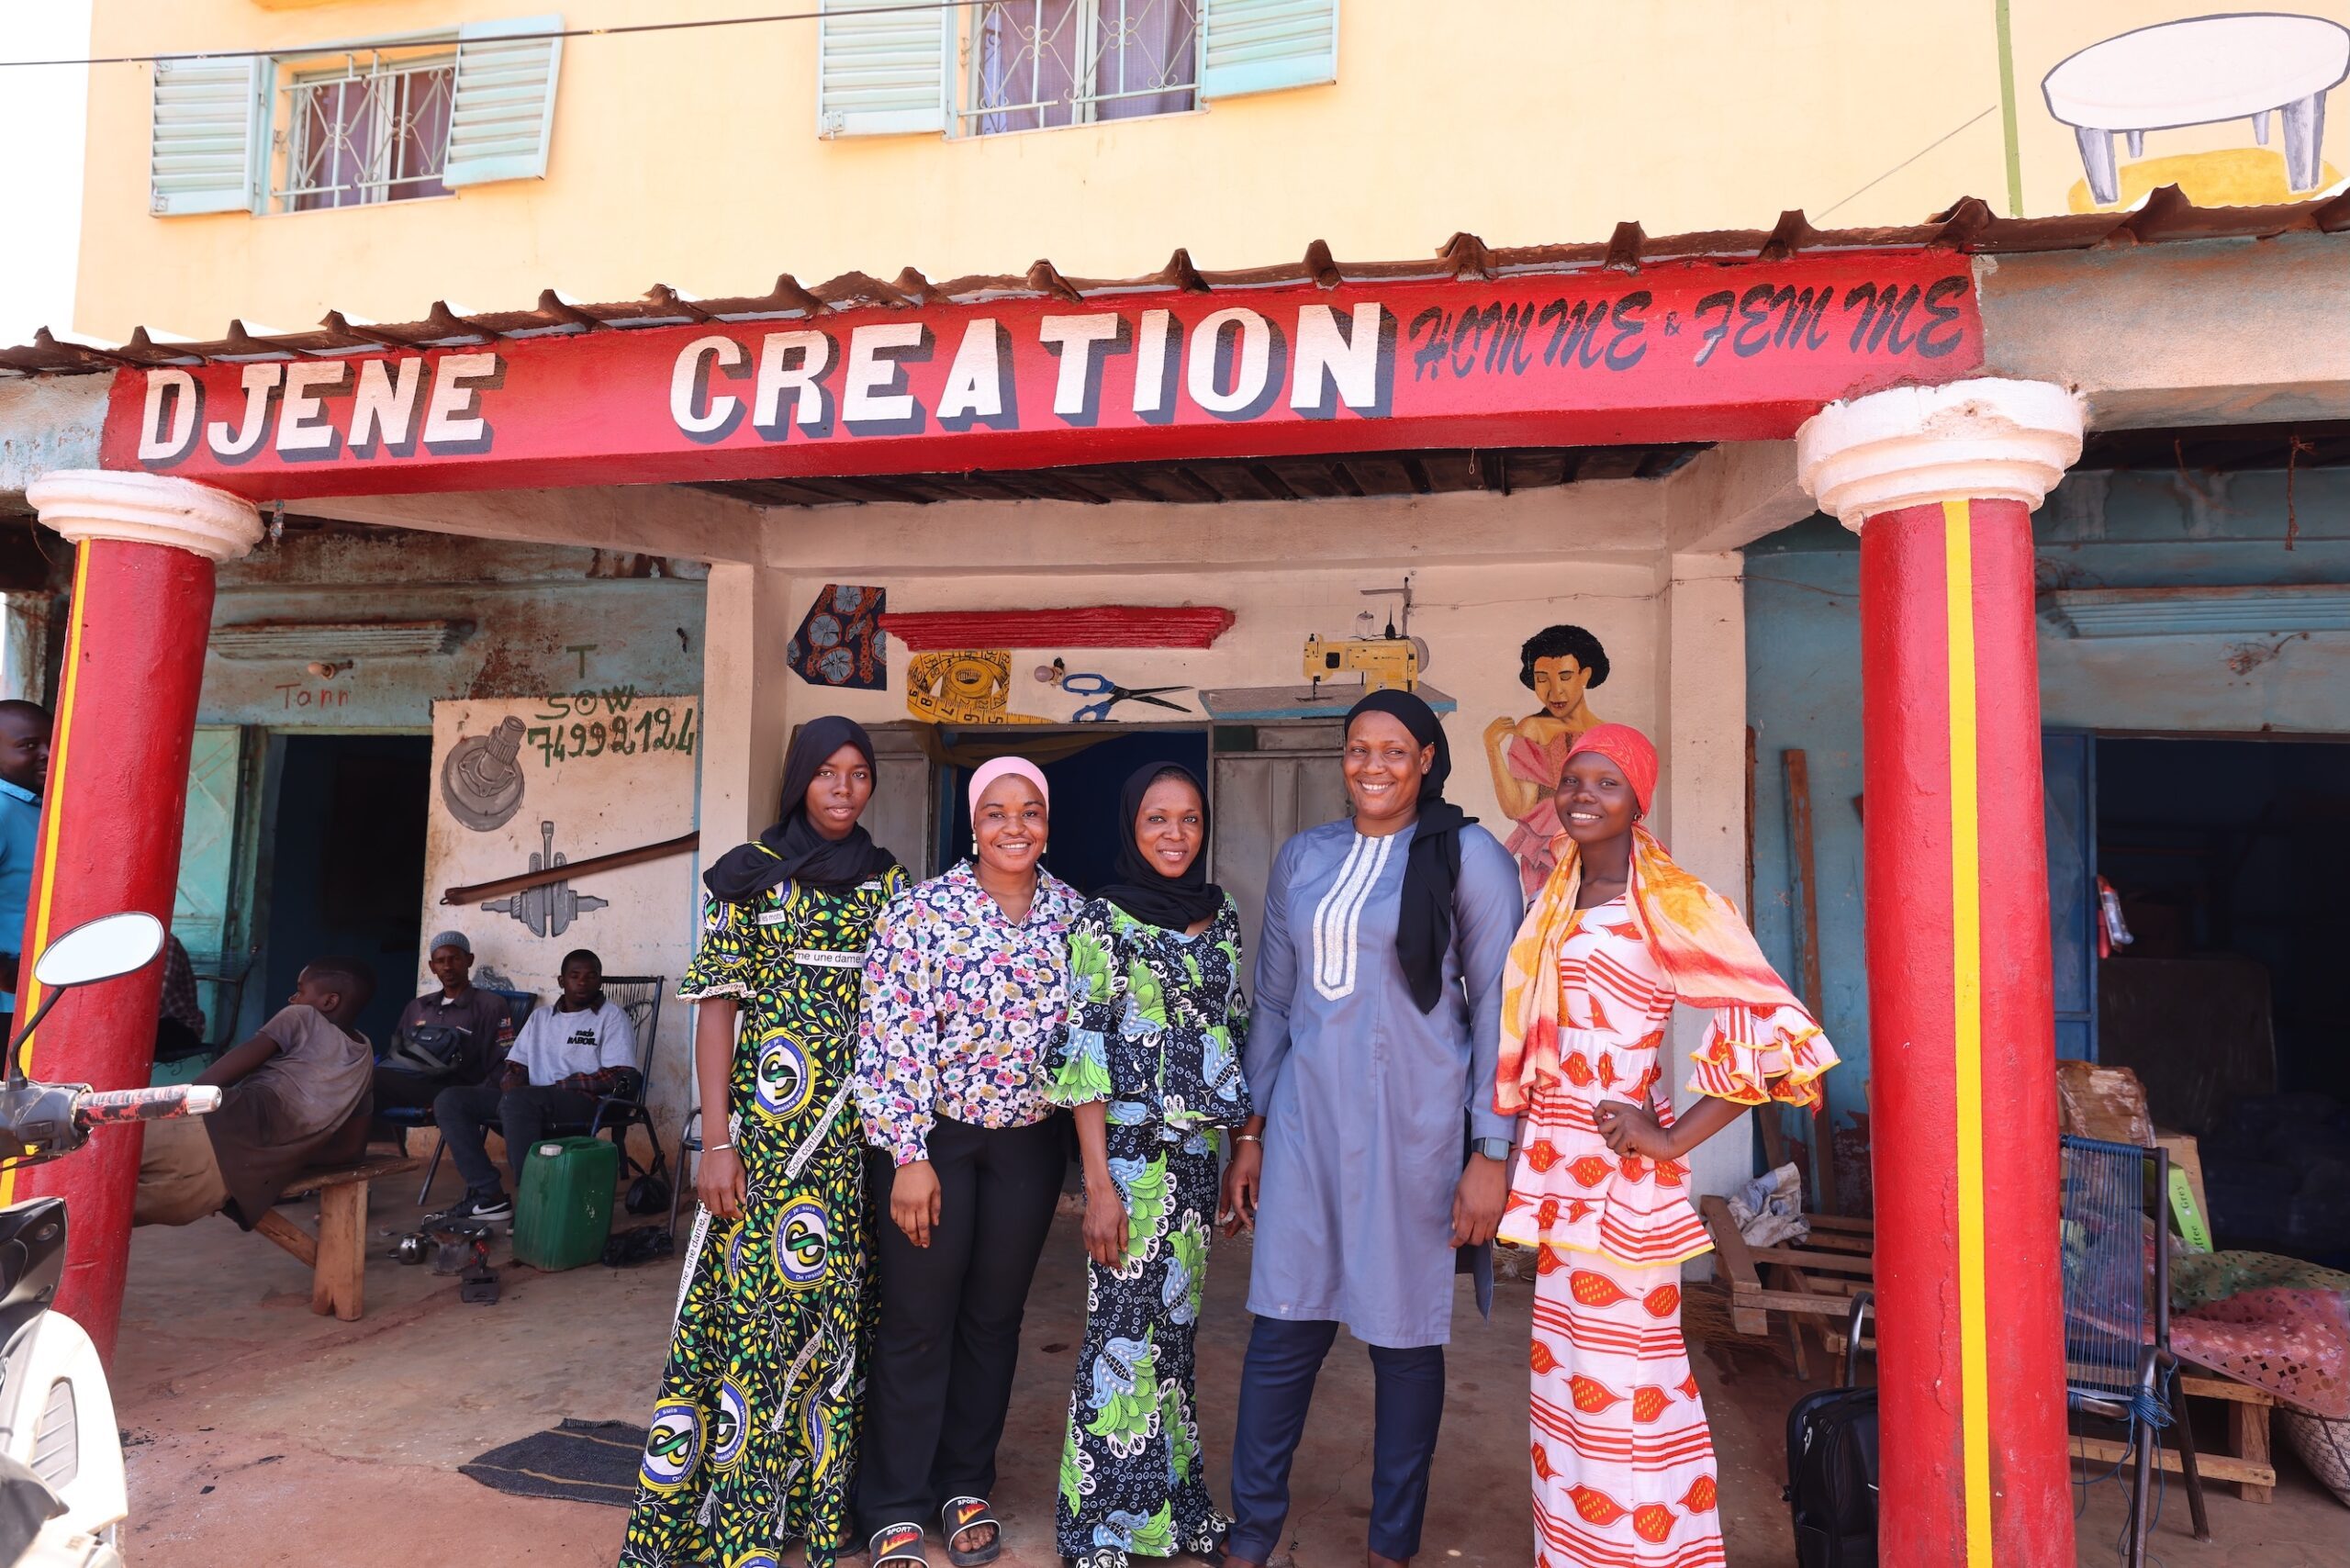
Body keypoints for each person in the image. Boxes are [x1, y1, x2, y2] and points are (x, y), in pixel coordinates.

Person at [1494, 723, 1837, 1568]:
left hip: (1622, 1180)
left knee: (1628, 1387)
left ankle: (1645, 1555)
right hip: (1557, 1177)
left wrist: (1673, 1132)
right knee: (1564, 1383)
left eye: (1606, 784)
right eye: (1574, 781)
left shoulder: (1674, 902)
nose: (1583, 797)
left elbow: (1781, 1032)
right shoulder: (1556, 898)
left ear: (1637, 800)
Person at [1219, 690, 1523, 1568]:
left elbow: (1501, 1005)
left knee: (1403, 1337)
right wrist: (1253, 1130)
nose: (1374, 767)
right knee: (1283, 1326)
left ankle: (1391, 1547)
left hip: (1417, 1130)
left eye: (1395, 750)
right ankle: (1251, 1536)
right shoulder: (1306, 856)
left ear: (1428, 758)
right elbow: (1274, 1001)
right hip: (1310, 1125)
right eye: (1358, 750)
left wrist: (1490, 1151)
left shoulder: (1470, 858)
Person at [621, 718, 908, 1568]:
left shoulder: (887, 884)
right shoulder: (748, 877)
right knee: (754, 1318)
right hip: (765, 1142)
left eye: (859, 774)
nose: (844, 788)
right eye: (827, 773)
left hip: (853, 1142)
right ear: (798, 781)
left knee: (833, 1323)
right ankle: (738, 1518)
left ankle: (817, 1515)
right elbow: (718, 1010)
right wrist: (715, 1143)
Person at [853, 756, 1082, 1568]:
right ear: (973, 823)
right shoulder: (922, 912)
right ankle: (894, 1500)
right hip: (935, 1143)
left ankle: (964, 1485)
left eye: (1029, 812)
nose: (1014, 826)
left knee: (993, 1321)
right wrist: (909, 1155)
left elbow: (1086, 1047)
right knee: (918, 1320)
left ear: (1047, 822)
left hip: (1028, 1145)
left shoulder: (1073, 918)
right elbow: (890, 1041)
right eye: (996, 811)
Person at [1046, 764, 1252, 1568]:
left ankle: (1177, 1514)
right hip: (1130, 1162)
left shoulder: (1221, 912)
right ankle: (1097, 1526)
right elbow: (1086, 1057)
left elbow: (1235, 1030)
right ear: (1132, 827)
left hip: (1197, 1161)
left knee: (1172, 1343)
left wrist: (1242, 1148)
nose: (1174, 834)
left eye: (1189, 819)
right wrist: (1096, 1186)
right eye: (1157, 819)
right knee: (1120, 1341)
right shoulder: (1103, 920)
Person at [134, 957, 376, 1228]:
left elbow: (209, 1084)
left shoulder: (302, 1017)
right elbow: (351, 1152)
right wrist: (275, 1157)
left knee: (86, 1164)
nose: (292, 998)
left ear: (329, 1002)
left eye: (300, 990)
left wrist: (159, 1107)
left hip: (204, 1130)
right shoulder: (365, 1059)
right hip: (218, 1188)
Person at [429, 947, 635, 1224]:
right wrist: (511, 1081)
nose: (583, 982)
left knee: (519, 1102)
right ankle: (489, 1196)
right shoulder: (541, 1018)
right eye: (574, 976)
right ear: (561, 981)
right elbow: (515, 1064)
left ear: (600, 980)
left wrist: (561, 1086)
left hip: (584, 1103)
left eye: (591, 976)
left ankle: (534, 1204)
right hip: (530, 1102)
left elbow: (618, 1075)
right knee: (451, 1100)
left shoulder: (611, 1017)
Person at [1482, 625, 1610, 899]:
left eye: (1565, 676)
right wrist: (1492, 747)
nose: (1555, 691)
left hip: (1601, 852)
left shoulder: (1607, 734)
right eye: (1542, 679)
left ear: (1584, 675)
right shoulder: (1532, 729)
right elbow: (1516, 807)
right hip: (1547, 854)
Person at [372, 930, 513, 1128]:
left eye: (454, 958)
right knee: (358, 1080)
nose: (447, 967)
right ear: (432, 967)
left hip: (456, 1091)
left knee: (364, 1080)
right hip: (412, 1084)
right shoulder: (418, 1007)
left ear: (469, 960)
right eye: (440, 961)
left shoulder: (490, 1005)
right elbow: (396, 1054)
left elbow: (501, 1062)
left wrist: (474, 1100)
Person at [0, 700, 52, 1032]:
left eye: (52, 740)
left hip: (33, 997)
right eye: (29, 745)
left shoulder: (33, 805)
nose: (48, 752)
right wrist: (7, 974)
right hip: (8, 1002)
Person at [153, 934, 210, 1063]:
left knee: (123, 1037)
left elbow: (160, 994)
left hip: (181, 1026)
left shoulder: (165, 942)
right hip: (156, 1022)